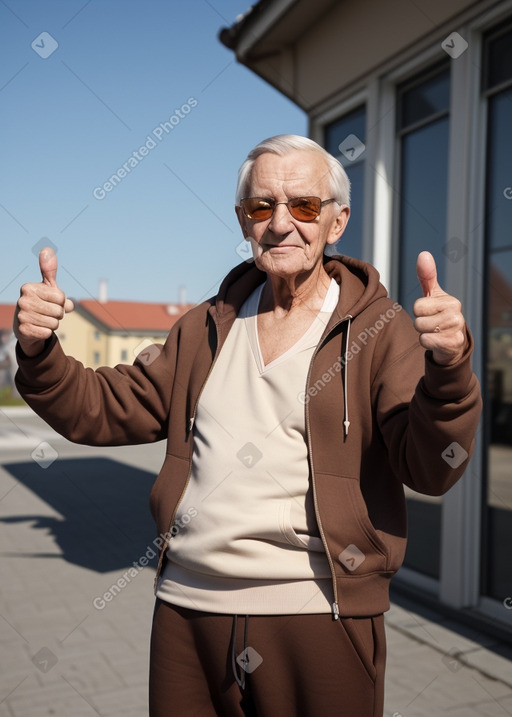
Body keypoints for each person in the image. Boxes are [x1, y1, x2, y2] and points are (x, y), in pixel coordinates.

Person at [14, 135, 482, 717]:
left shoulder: (381, 330)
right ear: (243, 220)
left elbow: (434, 467)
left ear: (338, 222)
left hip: (320, 619)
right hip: (186, 615)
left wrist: (449, 366)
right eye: (263, 207)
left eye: (304, 206)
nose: (281, 224)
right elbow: (104, 406)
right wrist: (38, 353)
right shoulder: (202, 328)